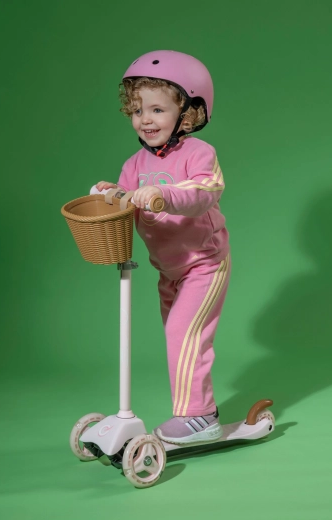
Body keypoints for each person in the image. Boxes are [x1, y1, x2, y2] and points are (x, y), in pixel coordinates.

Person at [95, 50, 230, 445]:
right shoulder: (133, 165)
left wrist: (163, 194)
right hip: (167, 270)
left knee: (184, 336)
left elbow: (205, 192)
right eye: (138, 110)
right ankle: (202, 409)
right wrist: (113, 194)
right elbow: (127, 203)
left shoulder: (199, 154)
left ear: (187, 114)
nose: (146, 119)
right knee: (179, 338)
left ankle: (199, 417)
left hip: (204, 263)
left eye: (157, 109)